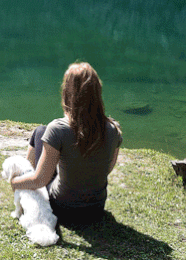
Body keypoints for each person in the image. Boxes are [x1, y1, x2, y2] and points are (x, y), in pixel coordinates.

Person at [9, 61, 122, 225]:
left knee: (40, 132)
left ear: (68, 92)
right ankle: (28, 181)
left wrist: (15, 183)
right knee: (42, 133)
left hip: (63, 209)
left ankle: (24, 181)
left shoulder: (58, 129)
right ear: (98, 92)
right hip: (96, 209)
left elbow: (40, 180)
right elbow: (106, 169)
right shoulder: (113, 129)